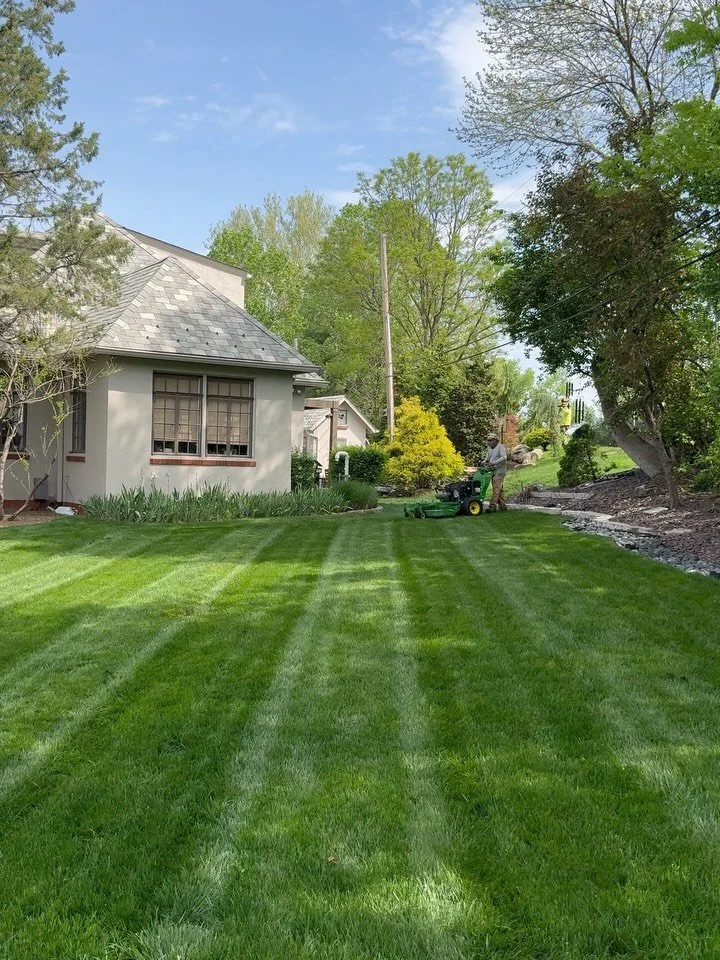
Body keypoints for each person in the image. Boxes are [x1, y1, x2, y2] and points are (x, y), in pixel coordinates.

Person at [482, 432, 507, 511]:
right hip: (493, 469)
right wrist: (484, 461)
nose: (489, 442)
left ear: (495, 440)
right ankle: (503, 506)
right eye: (488, 440)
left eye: (490, 440)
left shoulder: (501, 447)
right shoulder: (489, 447)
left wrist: (493, 462)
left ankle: (492, 507)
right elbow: (488, 455)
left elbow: (504, 457)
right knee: (498, 488)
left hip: (500, 470)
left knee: (496, 487)